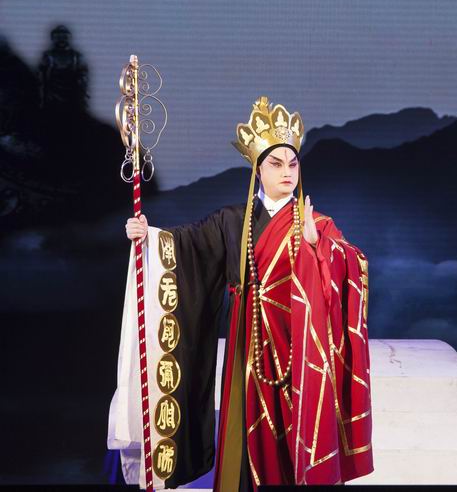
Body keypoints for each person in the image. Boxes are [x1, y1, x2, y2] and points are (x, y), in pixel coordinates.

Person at [109, 97, 373, 490]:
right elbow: (187, 247)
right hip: (248, 344)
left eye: (293, 164)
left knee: (296, 433)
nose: (287, 172)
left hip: (299, 347)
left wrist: (319, 247)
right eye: (276, 164)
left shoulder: (317, 224)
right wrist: (147, 236)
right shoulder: (234, 221)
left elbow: (354, 266)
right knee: (246, 436)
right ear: (258, 168)